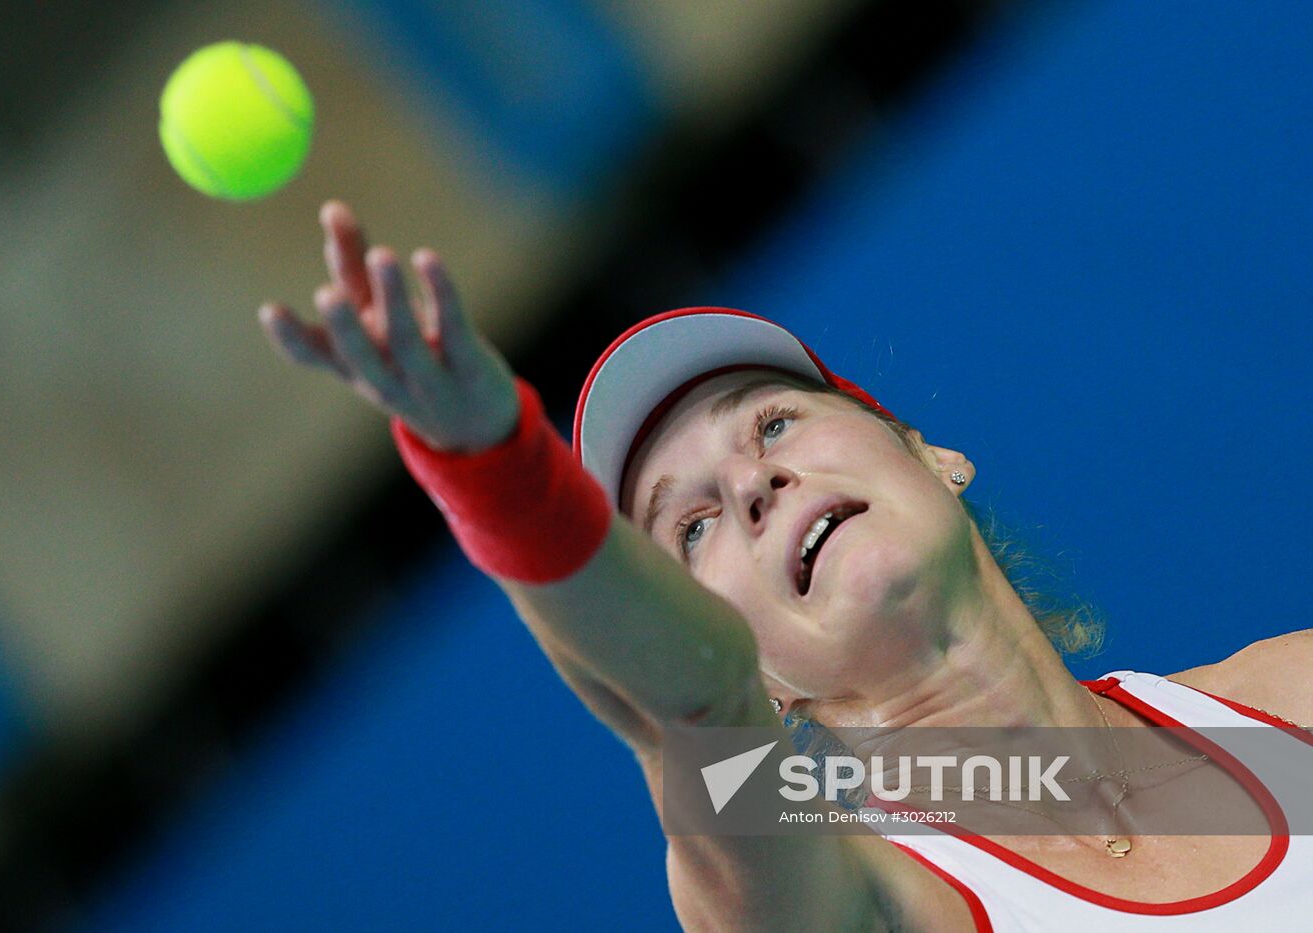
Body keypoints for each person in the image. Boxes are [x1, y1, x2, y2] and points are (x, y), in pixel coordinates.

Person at [259, 200, 1313, 931]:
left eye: (769, 424)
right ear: (756, 671)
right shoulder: (862, 905)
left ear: (928, 454)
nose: (753, 486)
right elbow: (688, 717)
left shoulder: (1289, 697)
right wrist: (496, 473)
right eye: (691, 529)